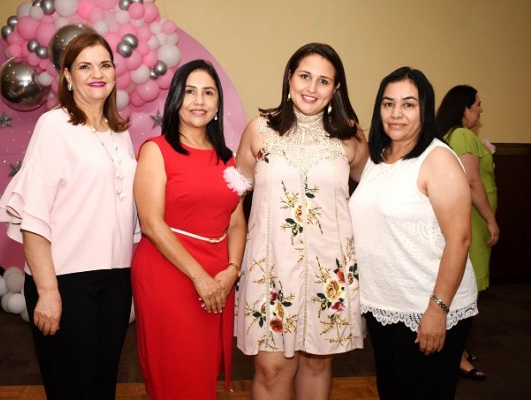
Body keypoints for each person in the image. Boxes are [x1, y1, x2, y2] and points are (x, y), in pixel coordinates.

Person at [0, 32, 139, 400]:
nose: (97, 73)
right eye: (85, 66)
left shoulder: (121, 134)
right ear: (68, 77)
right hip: (66, 280)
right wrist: (47, 292)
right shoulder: (54, 127)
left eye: (105, 65)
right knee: (71, 388)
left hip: (116, 280)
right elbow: (33, 216)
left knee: (102, 385)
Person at [235, 43, 368, 400]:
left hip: (330, 271)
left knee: (317, 364)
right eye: (305, 76)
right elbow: (234, 196)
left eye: (324, 81)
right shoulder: (259, 129)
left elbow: (367, 194)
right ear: (290, 77)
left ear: (336, 88)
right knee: (272, 367)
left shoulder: (352, 137)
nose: (312, 88)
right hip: (271, 270)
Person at [349, 67, 479, 399]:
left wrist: (438, 309)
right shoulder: (379, 159)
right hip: (385, 306)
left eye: (408, 104)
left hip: (426, 308)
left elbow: (460, 238)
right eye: (388, 103)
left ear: (425, 107)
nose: (396, 114)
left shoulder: (437, 160)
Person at [131, 59, 246, 400]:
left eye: (208, 93)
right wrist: (200, 277)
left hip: (218, 275)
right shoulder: (156, 150)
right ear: (176, 99)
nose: (199, 101)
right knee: (176, 374)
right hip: (169, 273)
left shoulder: (228, 158)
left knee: (201, 374)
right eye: (190, 91)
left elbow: (237, 221)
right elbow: (151, 223)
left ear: (217, 103)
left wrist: (231, 271)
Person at [437, 85, 499, 380]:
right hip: (471, 219)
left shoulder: (451, 136)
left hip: (464, 216)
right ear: (464, 108)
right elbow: (472, 183)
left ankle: (457, 347)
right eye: (478, 104)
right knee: (465, 289)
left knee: (461, 285)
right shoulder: (462, 135)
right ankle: (456, 354)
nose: (481, 110)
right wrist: (491, 220)